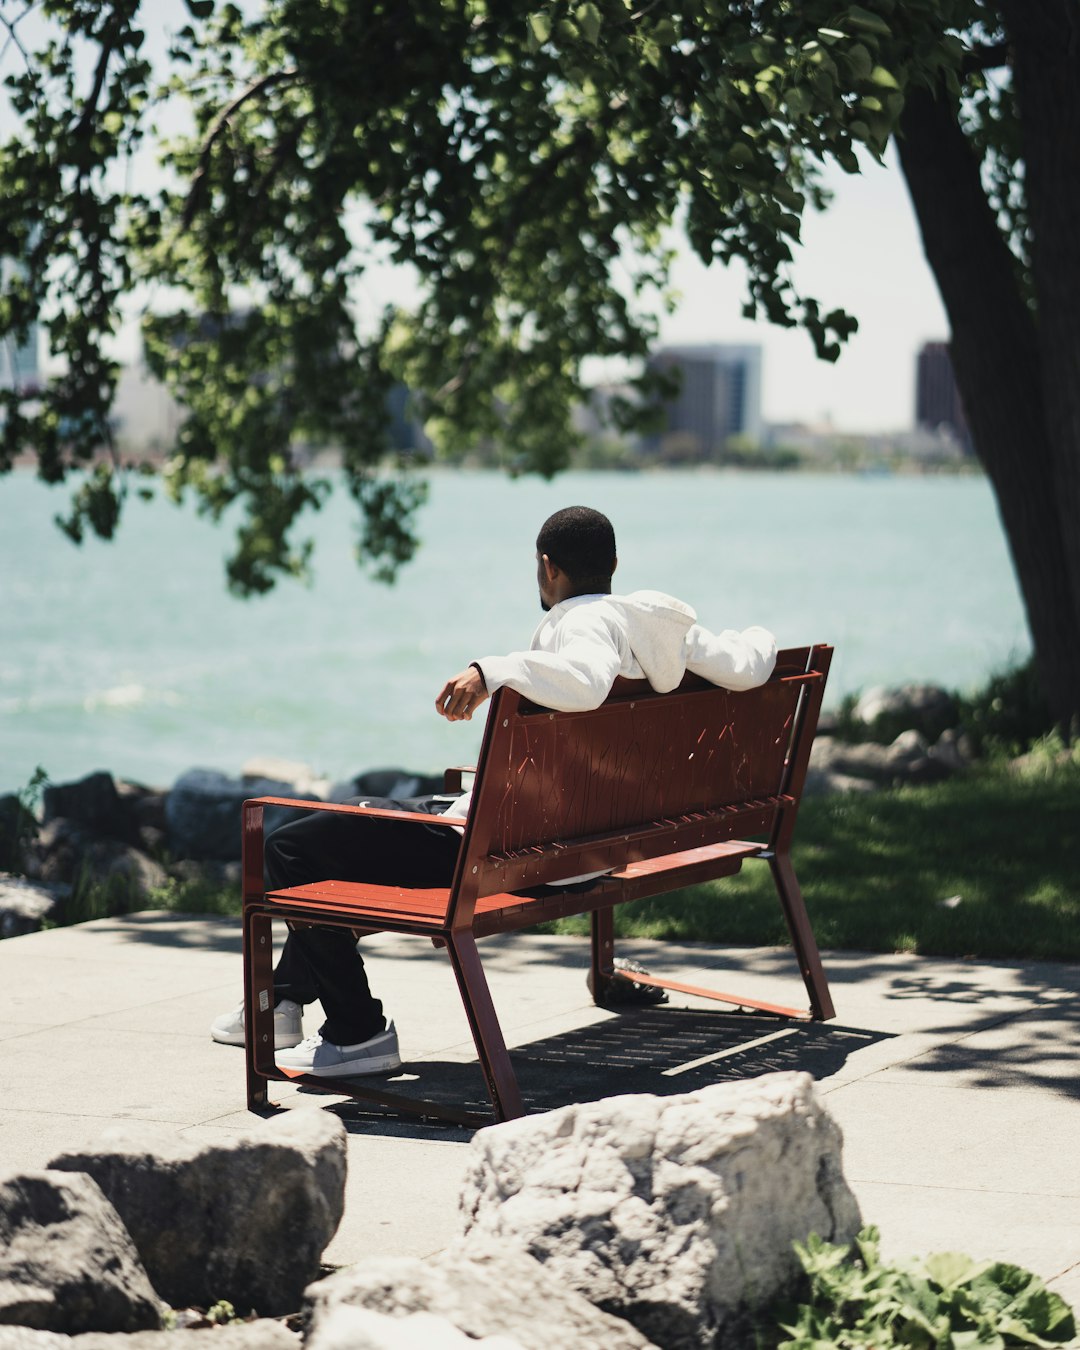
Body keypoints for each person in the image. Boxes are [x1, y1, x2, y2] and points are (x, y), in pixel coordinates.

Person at [210, 506, 777, 1077]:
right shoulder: (661, 631)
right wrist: (762, 636)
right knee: (369, 817)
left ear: (547, 568)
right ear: (613, 566)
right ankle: (283, 1001)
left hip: (500, 849)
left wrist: (491, 670)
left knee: (288, 847)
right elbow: (751, 665)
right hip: (580, 842)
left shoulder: (581, 623)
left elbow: (584, 681)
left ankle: (356, 1033)